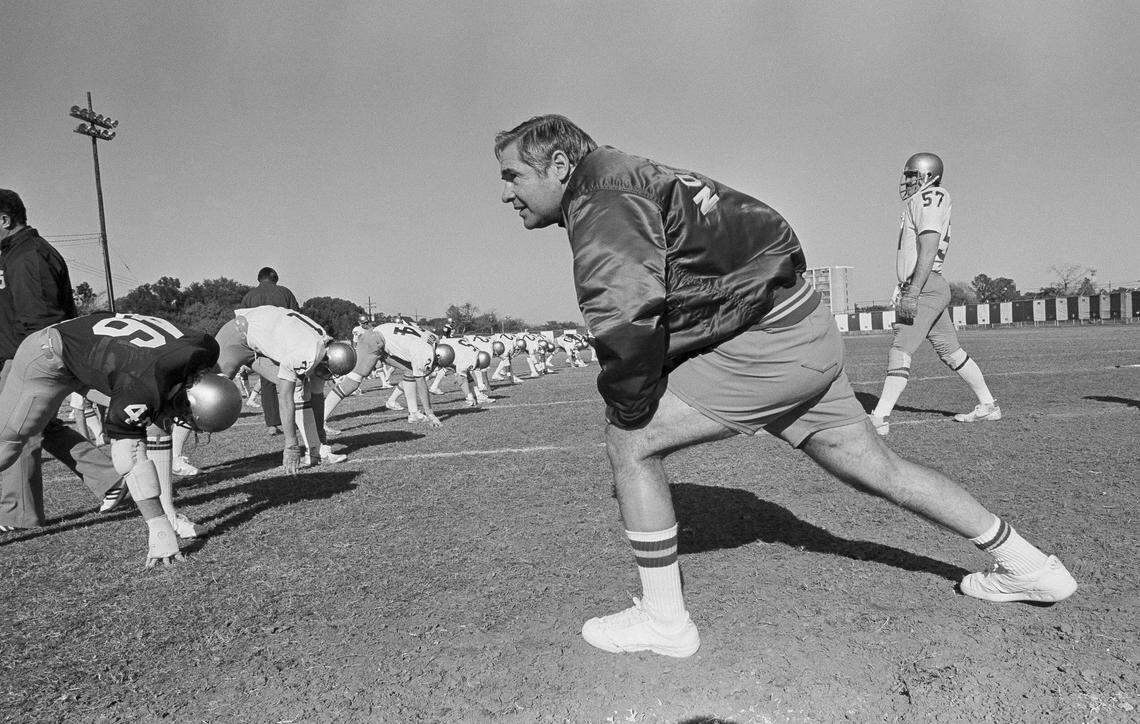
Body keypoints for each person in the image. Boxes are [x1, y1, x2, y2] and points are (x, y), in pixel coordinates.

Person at [494, 115, 1077, 659]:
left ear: (561, 166)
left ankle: (664, 621)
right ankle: (1030, 566)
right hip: (803, 326)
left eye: (514, 175)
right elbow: (754, 231)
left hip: (768, 344)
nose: (506, 193)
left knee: (631, 442)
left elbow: (625, 313)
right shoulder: (632, 173)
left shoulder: (601, 195)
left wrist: (630, 405)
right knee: (882, 469)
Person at [0, 312, 242, 566]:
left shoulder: (206, 348)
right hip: (48, 354)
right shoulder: (142, 385)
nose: (183, 421)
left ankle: (169, 513)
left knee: (157, 423)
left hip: (98, 352)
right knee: (8, 443)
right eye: (187, 415)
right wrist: (156, 526)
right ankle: (162, 521)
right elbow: (129, 457)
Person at [0, 189, 126, 532]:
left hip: (29, 358)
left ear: (5, 220)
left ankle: (18, 515)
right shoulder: (13, 254)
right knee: (42, 426)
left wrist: (27, 364)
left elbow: (42, 320)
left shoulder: (30, 256)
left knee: (19, 429)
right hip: (18, 356)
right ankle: (111, 477)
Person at [868, 153, 1000, 436]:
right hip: (928, 284)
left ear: (928, 176)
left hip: (926, 285)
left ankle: (879, 416)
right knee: (951, 352)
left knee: (901, 348)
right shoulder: (920, 200)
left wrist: (913, 288)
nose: (908, 181)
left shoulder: (931, 197)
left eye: (912, 175)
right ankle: (988, 404)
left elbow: (929, 245)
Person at [215, 305, 355, 470]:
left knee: (301, 386)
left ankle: (317, 450)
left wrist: (321, 438)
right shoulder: (305, 354)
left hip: (257, 336)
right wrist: (291, 445)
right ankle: (177, 456)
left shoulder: (323, 344)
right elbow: (285, 398)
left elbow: (317, 396)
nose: (328, 377)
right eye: (328, 372)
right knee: (209, 392)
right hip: (237, 334)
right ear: (326, 362)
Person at [239, 267, 301, 439]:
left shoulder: (249, 296)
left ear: (259, 279)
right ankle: (294, 419)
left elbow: (241, 323)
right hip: (283, 343)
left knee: (267, 383)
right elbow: (296, 316)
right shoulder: (285, 292)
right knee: (290, 380)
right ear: (275, 278)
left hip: (262, 345)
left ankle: (272, 424)